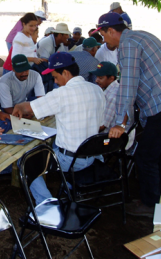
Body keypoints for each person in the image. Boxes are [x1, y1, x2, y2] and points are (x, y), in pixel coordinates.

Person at [95, 12, 161, 216]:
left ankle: (149, 205)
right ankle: (159, 199)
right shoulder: (142, 35)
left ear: (111, 31)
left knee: (146, 155)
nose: (103, 40)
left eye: (103, 35)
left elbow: (128, 85)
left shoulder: (128, 46)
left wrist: (121, 123)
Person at [12, 52, 105, 204]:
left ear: (66, 73)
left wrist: (19, 106)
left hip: (71, 160)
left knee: (25, 162)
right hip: (95, 155)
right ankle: (68, 186)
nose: (55, 82)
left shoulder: (63, 93)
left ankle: (47, 203)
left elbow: (29, 109)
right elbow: (100, 124)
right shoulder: (97, 90)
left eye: (55, 77)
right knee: (56, 142)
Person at [90, 62, 134, 148]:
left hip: (115, 140)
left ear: (111, 78)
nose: (96, 80)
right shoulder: (113, 89)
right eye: (96, 77)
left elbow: (102, 126)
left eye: (100, 78)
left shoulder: (113, 96)